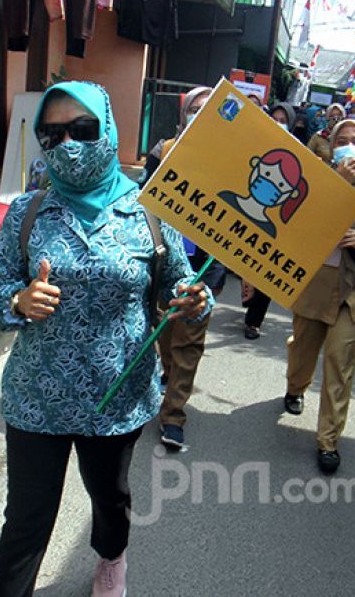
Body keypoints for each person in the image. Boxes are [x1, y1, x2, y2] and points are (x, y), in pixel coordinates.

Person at [0, 81, 212, 597]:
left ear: (107, 128)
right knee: (25, 520)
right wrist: (19, 301)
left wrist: (193, 300)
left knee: (111, 499)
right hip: (37, 398)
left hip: (117, 399)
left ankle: (111, 560)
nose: (67, 143)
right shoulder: (25, 212)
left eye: (82, 129)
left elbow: (179, 282)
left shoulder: (151, 211)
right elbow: (0, 289)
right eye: (53, 132)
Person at [283, 119, 355, 474]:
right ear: (331, 146)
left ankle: (328, 440)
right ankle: (295, 388)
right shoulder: (312, 179)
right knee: (304, 350)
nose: (350, 146)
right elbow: (298, 225)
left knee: (339, 360)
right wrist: (340, 186)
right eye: (342, 140)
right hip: (315, 284)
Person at [142, 85, 227, 450]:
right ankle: (168, 376)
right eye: (195, 108)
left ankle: (173, 415)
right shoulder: (162, 151)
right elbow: (143, 203)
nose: (200, 114)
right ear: (184, 114)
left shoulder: (231, 161)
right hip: (163, 262)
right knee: (165, 335)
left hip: (201, 268)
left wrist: (212, 279)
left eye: (209, 109)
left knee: (188, 342)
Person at [242, 101, 305, 340]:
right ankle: (248, 294)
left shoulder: (298, 152)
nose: (278, 124)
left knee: (264, 273)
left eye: (283, 120)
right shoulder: (257, 141)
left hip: (273, 225)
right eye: (274, 118)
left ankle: (254, 322)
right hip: (246, 216)